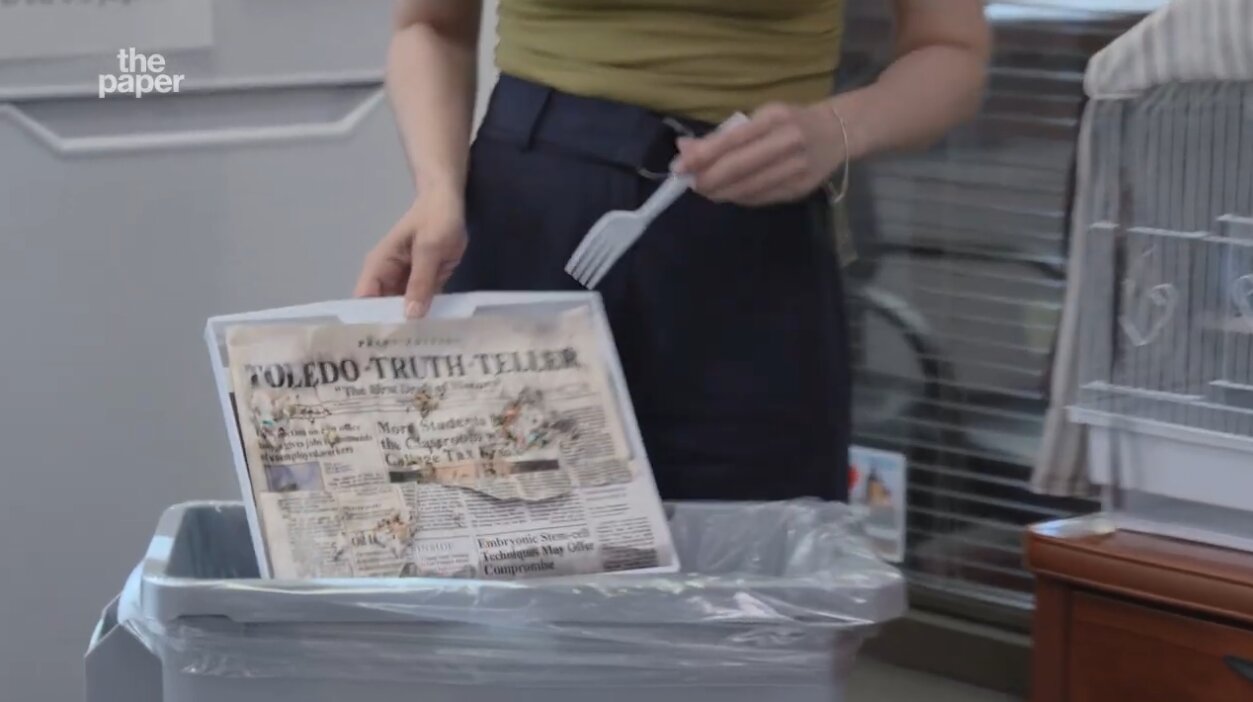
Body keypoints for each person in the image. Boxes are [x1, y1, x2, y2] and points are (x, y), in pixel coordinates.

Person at [356, 0, 991, 501]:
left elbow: (951, 51)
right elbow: (430, 27)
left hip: (753, 242)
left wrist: (836, 129)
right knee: (501, 547)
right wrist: (437, 189)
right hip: (530, 218)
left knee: (754, 589)